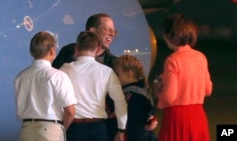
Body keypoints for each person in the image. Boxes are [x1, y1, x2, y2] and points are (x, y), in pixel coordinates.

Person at [53, 13, 157, 140]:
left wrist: (148, 115)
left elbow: (131, 91)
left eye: (114, 31)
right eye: (107, 29)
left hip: (101, 127)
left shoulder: (113, 63)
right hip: (73, 124)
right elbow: (52, 85)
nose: (112, 34)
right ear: (92, 31)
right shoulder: (68, 53)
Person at [154, 13, 213, 141]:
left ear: (171, 35)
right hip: (198, 115)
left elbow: (169, 97)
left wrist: (158, 88)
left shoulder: (173, 60)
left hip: (178, 118)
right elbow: (208, 90)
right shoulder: (201, 57)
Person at [60, 31, 128, 141]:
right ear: (97, 50)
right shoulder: (107, 72)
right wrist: (121, 130)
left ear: (76, 49)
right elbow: (120, 102)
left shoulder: (65, 70)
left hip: (74, 128)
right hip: (98, 128)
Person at [14, 31, 77, 141]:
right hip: (50, 130)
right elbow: (70, 111)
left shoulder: (20, 76)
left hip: (26, 129)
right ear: (52, 50)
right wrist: (62, 127)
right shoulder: (58, 76)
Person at [113, 55, 158, 141]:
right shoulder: (144, 89)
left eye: (117, 74)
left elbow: (132, 121)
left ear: (129, 74)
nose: (115, 77)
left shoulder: (132, 95)